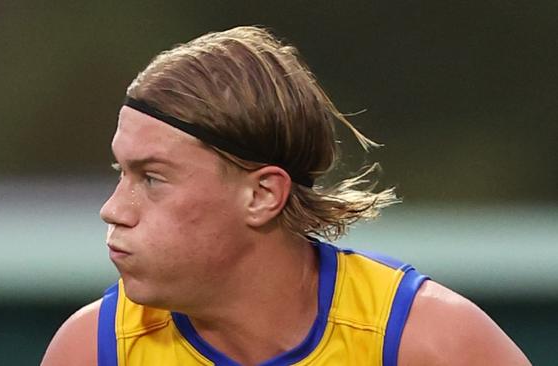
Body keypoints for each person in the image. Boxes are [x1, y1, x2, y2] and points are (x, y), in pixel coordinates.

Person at [41, 26, 530, 366]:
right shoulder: (94, 350)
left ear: (262, 194)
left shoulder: (433, 345)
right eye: (120, 171)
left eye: (152, 178)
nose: (113, 210)